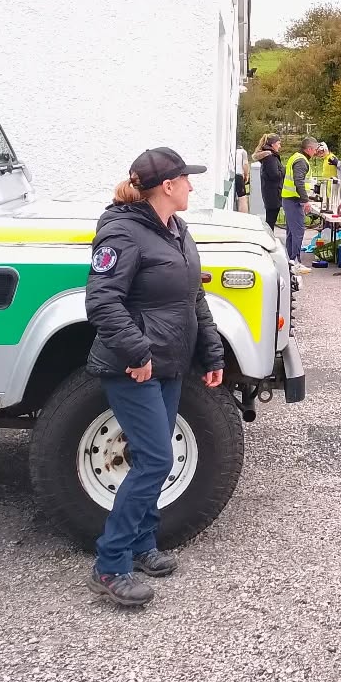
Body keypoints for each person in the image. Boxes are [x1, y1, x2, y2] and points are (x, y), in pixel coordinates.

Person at [84, 147, 225, 608]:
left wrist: (211, 351)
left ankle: (143, 545)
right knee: (155, 461)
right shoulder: (122, 232)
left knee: (155, 458)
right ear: (167, 185)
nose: (192, 186)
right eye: (187, 179)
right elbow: (102, 302)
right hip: (134, 366)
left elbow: (193, 298)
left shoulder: (175, 228)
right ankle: (110, 564)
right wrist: (138, 352)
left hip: (169, 364)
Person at [281, 137, 321, 274]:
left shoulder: (295, 157)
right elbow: (299, 181)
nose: (315, 152)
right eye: (315, 149)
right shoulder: (301, 162)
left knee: (292, 232)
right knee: (298, 231)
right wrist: (305, 201)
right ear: (309, 149)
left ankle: (290, 261)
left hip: (289, 198)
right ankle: (295, 262)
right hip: (294, 200)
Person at [252, 133, 284, 232]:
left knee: (270, 219)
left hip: (269, 192)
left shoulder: (268, 156)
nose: (280, 146)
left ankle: (269, 239)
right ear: (273, 144)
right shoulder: (271, 157)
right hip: (273, 193)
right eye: (278, 143)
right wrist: (285, 170)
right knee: (270, 221)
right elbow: (275, 175)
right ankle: (269, 240)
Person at [233, 145, 250, 214]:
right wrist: (246, 175)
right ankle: (244, 216)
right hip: (239, 175)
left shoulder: (233, 151)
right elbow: (245, 164)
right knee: (242, 198)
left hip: (233, 175)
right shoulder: (243, 152)